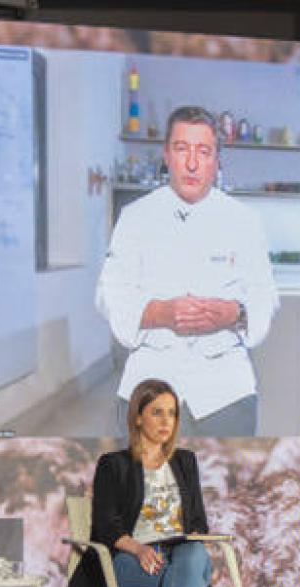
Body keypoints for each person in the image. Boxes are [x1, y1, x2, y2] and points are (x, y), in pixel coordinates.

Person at [96, 106, 278, 437]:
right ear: (167, 155)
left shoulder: (245, 221)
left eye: (203, 151)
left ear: (217, 160)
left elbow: (265, 296)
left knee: (229, 484)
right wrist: (162, 313)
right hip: (150, 382)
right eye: (182, 149)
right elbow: (111, 296)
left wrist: (234, 313)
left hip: (226, 389)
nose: (192, 163)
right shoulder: (135, 218)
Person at [66, 378, 239, 587]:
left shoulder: (185, 462)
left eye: (172, 414)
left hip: (177, 555)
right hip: (127, 560)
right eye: (157, 413)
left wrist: (194, 538)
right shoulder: (113, 464)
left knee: (193, 558)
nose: (165, 421)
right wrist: (139, 548)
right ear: (138, 418)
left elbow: (198, 522)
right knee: (192, 581)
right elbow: (105, 526)